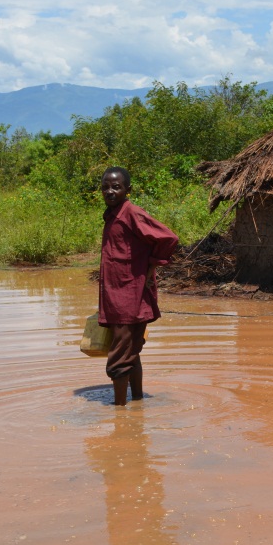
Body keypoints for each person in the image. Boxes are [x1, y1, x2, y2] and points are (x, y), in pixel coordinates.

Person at [98, 166, 179, 405]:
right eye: (105, 187)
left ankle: (120, 415)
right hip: (116, 295)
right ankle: (138, 402)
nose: (110, 191)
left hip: (129, 295)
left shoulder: (130, 212)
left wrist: (152, 265)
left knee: (119, 358)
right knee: (130, 351)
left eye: (116, 186)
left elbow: (168, 238)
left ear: (127, 190)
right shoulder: (113, 214)